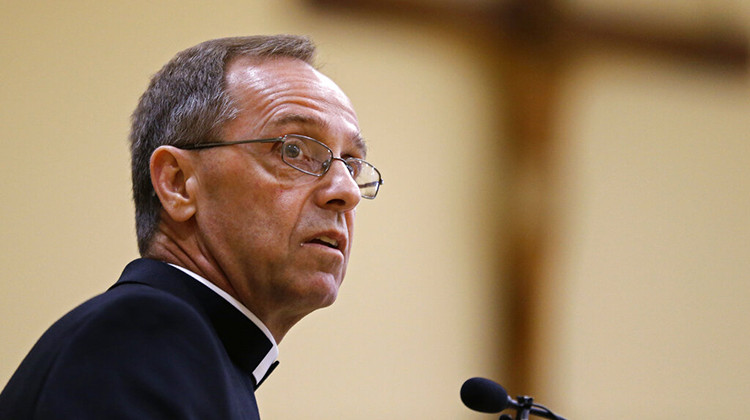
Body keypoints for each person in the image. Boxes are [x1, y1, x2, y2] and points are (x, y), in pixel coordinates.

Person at [0, 35, 382, 419]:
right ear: (178, 184)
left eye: (350, 165)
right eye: (293, 150)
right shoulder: (139, 335)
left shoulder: (204, 356)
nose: (346, 191)